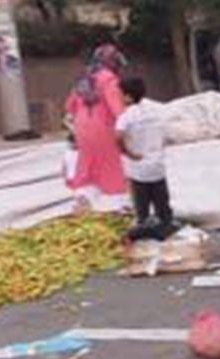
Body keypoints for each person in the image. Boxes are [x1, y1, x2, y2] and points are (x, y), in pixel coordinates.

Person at [64, 43, 129, 212]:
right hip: (103, 129)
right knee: (110, 167)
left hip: (82, 130)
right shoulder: (109, 79)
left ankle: (83, 199)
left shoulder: (85, 78)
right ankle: (117, 208)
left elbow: (69, 106)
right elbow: (118, 110)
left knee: (87, 165)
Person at [114, 77, 176, 241]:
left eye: (119, 94)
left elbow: (118, 137)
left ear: (128, 96)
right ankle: (166, 227)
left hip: (139, 168)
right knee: (162, 201)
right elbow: (168, 131)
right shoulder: (156, 109)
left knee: (142, 205)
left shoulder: (127, 116)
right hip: (157, 165)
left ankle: (145, 230)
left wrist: (128, 153)